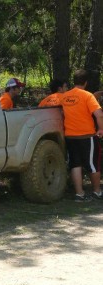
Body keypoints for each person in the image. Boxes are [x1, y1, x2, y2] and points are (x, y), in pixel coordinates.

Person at [61, 69, 103, 202]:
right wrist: (101, 129)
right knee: (92, 164)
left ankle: (79, 194)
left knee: (75, 164)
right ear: (86, 82)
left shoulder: (65, 96)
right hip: (87, 135)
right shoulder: (87, 96)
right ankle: (97, 192)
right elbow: (99, 114)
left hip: (70, 136)